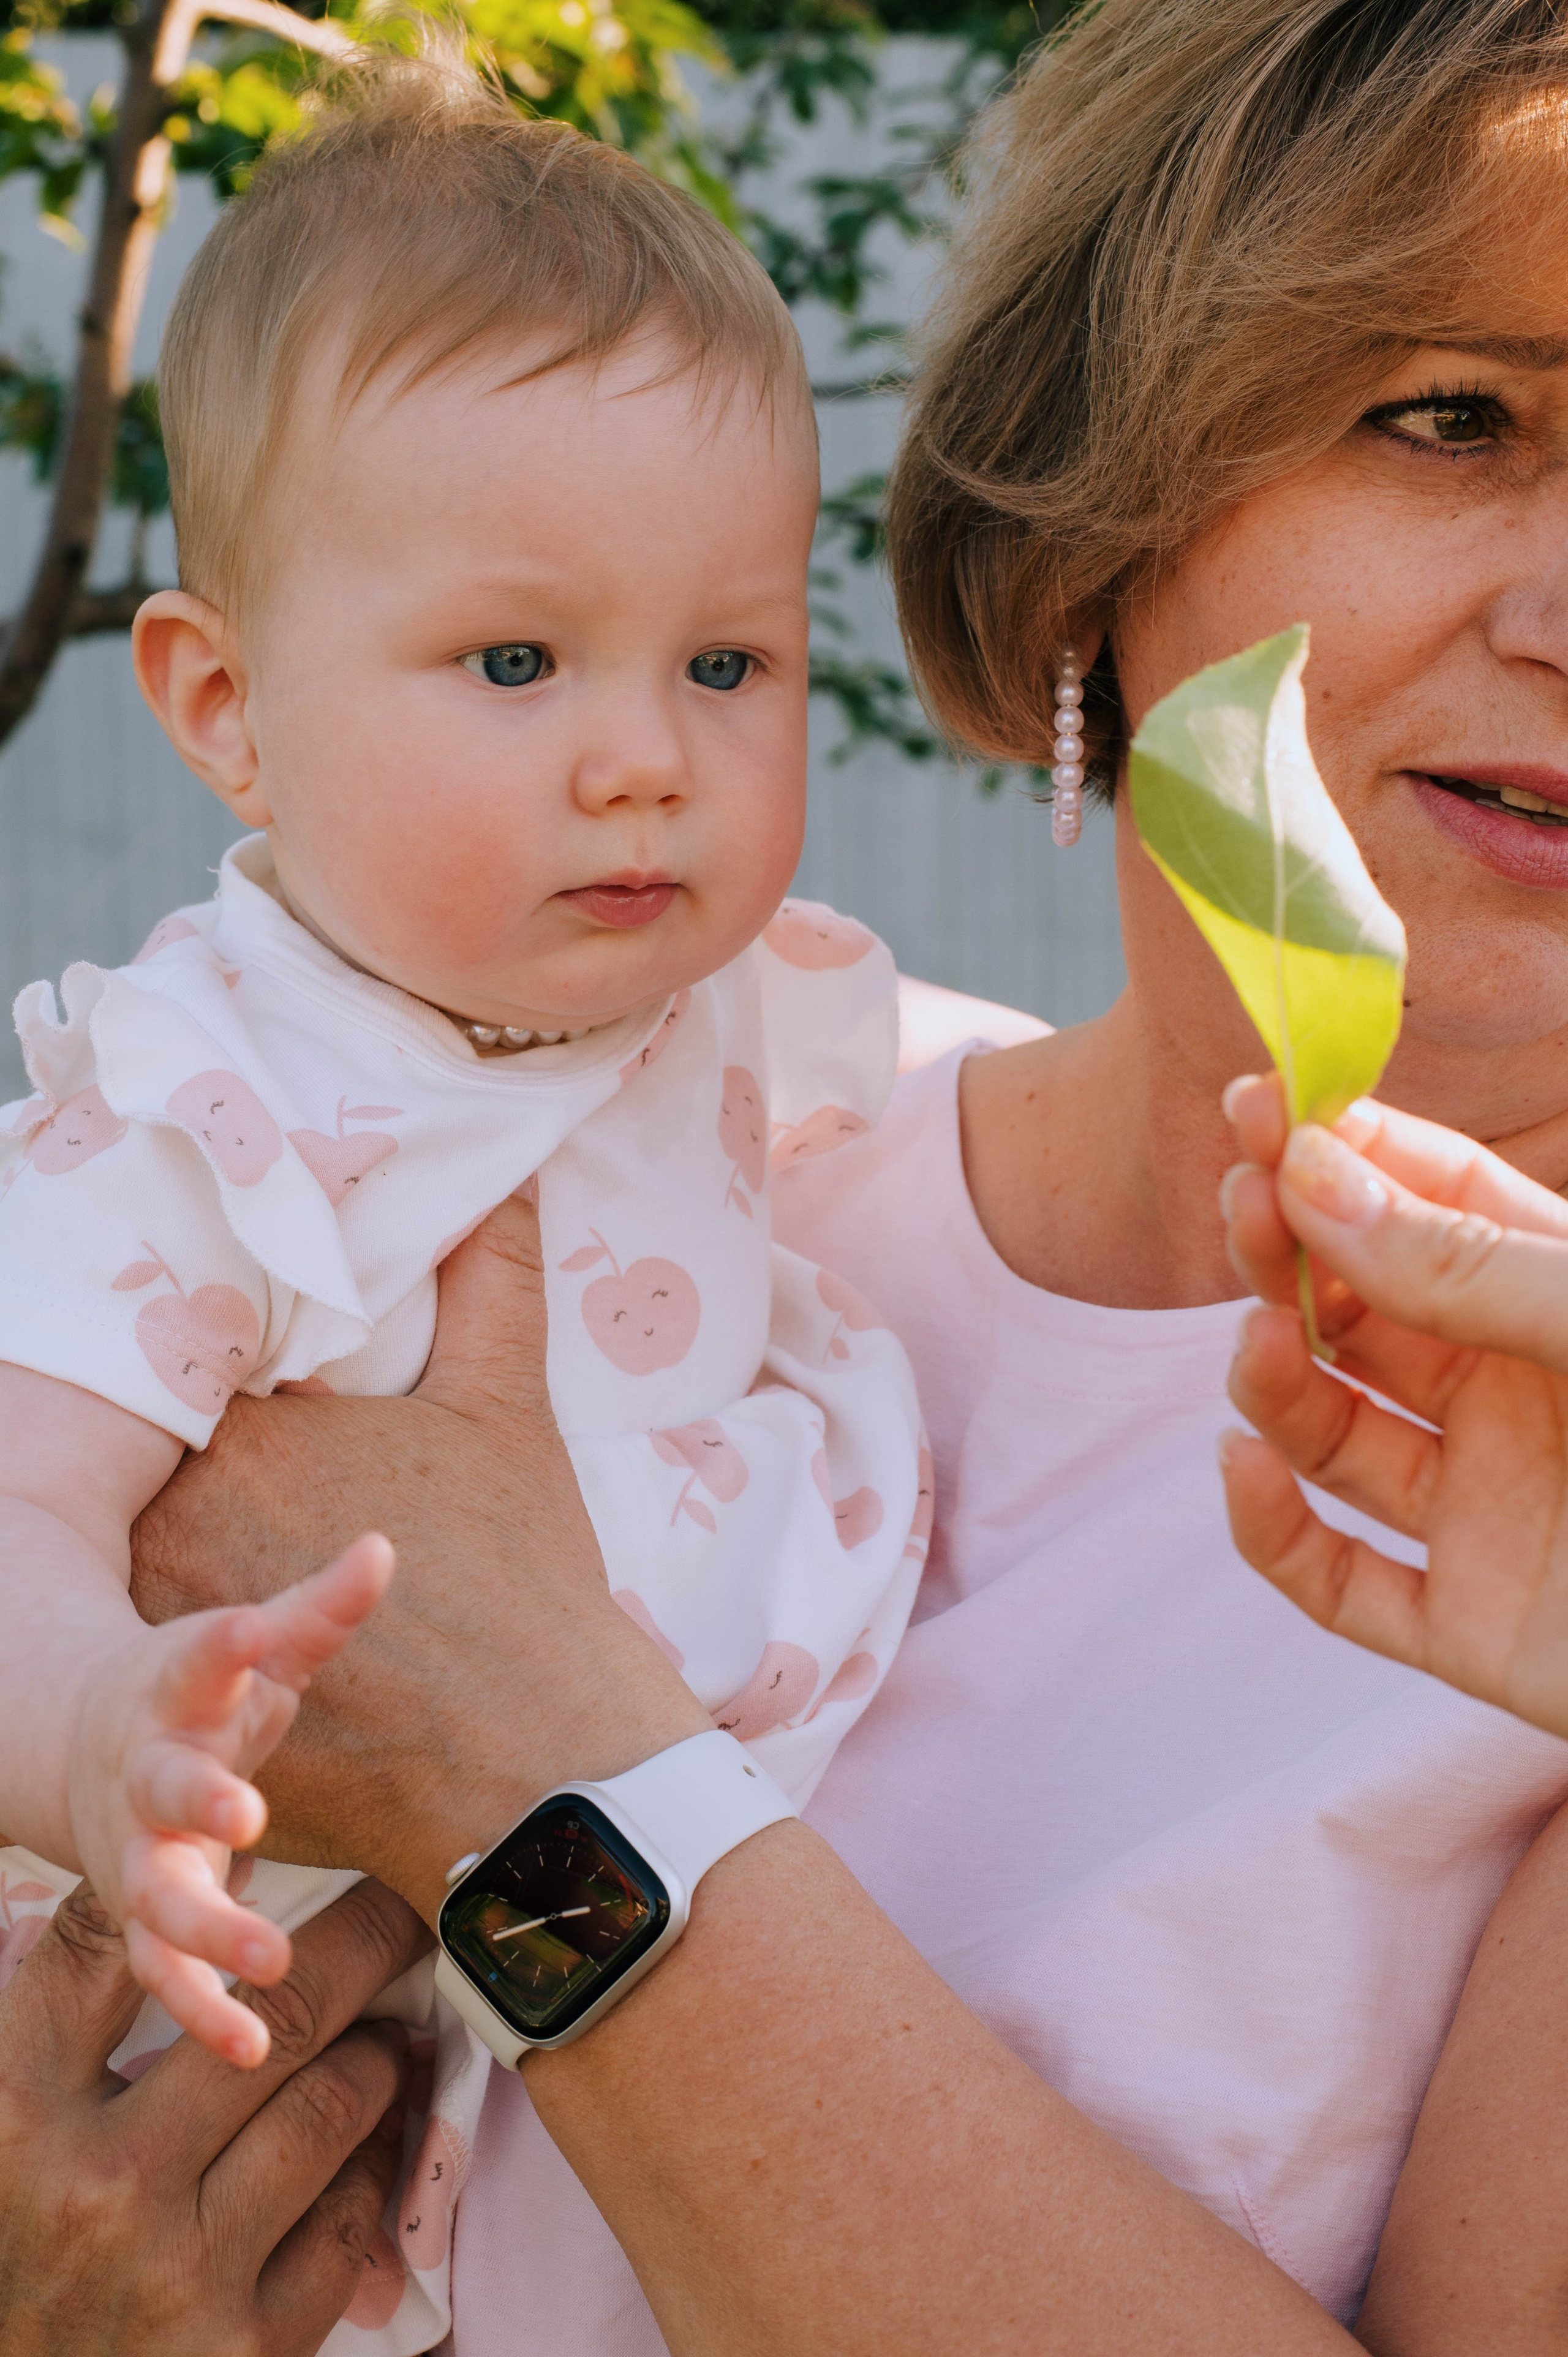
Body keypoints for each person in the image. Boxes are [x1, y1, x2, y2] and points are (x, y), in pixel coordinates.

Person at [14, 0, 1568, 2348]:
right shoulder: (675, 1137)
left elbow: (485, 1771)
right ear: (1098, 514)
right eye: (1453, 416)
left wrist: (542, 1785)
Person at [0, 58, 926, 2357]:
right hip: (233, 2058)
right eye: (516, 662)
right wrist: (104, 1725)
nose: (646, 757)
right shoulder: (209, 1112)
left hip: (618, 2026)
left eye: (728, 662)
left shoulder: (701, 1025)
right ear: (226, 703)